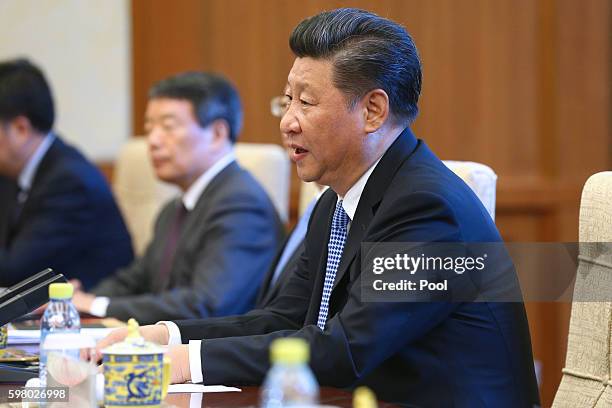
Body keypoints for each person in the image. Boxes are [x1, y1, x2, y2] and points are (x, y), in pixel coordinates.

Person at [97, 9, 540, 406]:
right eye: (287, 100)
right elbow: (281, 318)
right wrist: (163, 336)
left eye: (306, 102)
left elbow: (344, 350)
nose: (287, 121)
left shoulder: (427, 210)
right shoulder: (335, 202)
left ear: (372, 111)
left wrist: (183, 362)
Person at [72, 71, 284, 325]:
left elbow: (205, 304)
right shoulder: (175, 208)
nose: (153, 141)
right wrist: (79, 299)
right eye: (149, 128)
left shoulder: (243, 205)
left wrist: (95, 305)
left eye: (168, 127)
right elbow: (136, 279)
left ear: (217, 134)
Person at [0, 59, 133, 290]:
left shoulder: (70, 182)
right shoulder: (14, 172)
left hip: (96, 317)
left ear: (21, 129)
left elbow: (14, 272)